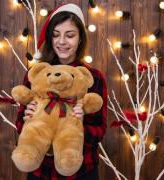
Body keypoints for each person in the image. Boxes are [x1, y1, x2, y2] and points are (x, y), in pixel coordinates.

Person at [15, 3, 107, 180]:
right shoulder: (37, 74)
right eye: (56, 35)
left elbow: (100, 130)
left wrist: (79, 123)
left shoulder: (92, 77)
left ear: (80, 38)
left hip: (81, 171)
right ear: (50, 38)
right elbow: (19, 124)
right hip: (40, 171)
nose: (62, 41)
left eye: (70, 35)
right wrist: (27, 118)